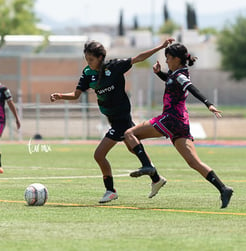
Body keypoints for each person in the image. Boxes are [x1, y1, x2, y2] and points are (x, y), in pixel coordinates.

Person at [50, 38, 174, 203]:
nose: (89, 63)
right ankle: (156, 178)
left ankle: (111, 190)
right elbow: (76, 95)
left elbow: (138, 58)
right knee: (133, 146)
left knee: (99, 154)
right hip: (113, 120)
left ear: (100, 58)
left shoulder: (114, 66)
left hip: (121, 119)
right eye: (87, 59)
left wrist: (160, 46)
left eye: (91, 59)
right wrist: (60, 96)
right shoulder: (88, 74)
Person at [124, 43, 234, 209]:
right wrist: (158, 73)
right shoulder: (175, 73)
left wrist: (208, 104)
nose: (166, 61)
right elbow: (171, 81)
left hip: (170, 118)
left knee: (129, 134)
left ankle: (151, 171)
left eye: (168, 58)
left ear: (176, 59)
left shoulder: (180, 75)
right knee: (193, 162)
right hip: (181, 122)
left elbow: (191, 87)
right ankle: (223, 189)